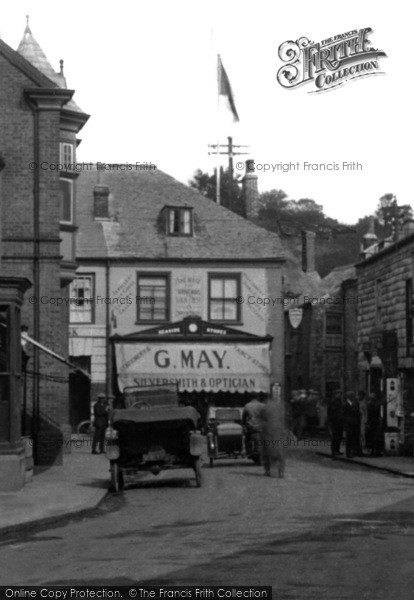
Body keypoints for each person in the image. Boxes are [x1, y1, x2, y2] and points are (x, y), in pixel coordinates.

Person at [259, 397, 286, 478]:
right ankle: (281, 472)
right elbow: (283, 419)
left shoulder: (265, 407)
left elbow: (261, 418)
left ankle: (267, 471)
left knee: (266, 451)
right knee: (279, 451)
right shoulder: (280, 407)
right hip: (278, 430)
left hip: (268, 431)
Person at [343, 391, 361, 458]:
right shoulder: (345, 405)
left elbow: (357, 413)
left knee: (355, 438)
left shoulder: (355, 404)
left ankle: (355, 451)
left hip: (355, 423)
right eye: (352, 396)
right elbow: (343, 415)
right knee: (349, 439)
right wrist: (348, 421)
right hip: (349, 424)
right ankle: (348, 453)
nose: (353, 397)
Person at [327, 391, 344, 457]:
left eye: (340, 394)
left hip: (339, 421)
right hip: (335, 422)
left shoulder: (339, 402)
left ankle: (337, 450)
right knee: (335, 436)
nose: (339, 395)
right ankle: (334, 450)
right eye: (338, 394)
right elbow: (332, 412)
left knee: (339, 436)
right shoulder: (333, 402)